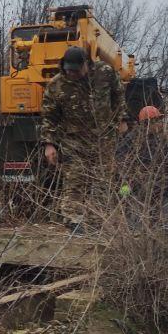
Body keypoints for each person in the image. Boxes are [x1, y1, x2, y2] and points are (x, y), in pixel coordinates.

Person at [40, 45, 126, 231]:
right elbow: (49, 117)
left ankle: (97, 222)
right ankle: (74, 222)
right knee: (75, 180)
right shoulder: (56, 85)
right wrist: (49, 144)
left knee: (103, 182)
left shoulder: (105, 73)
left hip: (104, 139)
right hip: (74, 140)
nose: (72, 74)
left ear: (86, 64)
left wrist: (119, 120)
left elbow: (119, 96)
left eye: (76, 71)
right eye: (68, 70)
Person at [115, 104, 168, 234]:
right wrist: (124, 186)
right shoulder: (131, 140)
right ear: (148, 123)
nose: (161, 125)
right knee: (136, 230)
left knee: (163, 228)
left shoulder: (163, 141)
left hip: (161, 191)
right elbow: (121, 164)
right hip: (136, 192)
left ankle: (162, 252)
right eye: (158, 121)